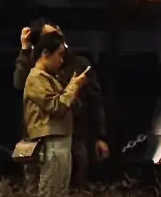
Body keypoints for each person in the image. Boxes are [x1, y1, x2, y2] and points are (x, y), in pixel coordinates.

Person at [16, 19, 109, 173]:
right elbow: (20, 83)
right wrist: (25, 50)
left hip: (74, 136)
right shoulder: (35, 68)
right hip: (38, 138)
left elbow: (94, 102)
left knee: (72, 185)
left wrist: (100, 136)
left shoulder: (77, 63)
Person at [22, 30, 91, 196]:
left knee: (57, 196)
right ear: (45, 53)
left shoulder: (49, 78)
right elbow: (56, 106)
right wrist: (73, 87)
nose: (61, 61)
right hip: (50, 143)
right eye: (59, 55)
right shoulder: (36, 78)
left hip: (59, 142)